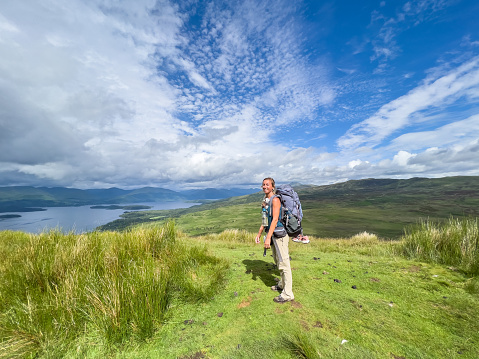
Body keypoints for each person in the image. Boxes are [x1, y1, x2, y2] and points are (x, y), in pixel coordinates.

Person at [255, 177, 294, 303]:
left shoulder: (275, 199)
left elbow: (276, 219)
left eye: (267, 184)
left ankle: (288, 294)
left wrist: (267, 240)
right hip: (273, 235)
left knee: (284, 263)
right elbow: (265, 220)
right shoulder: (265, 201)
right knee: (278, 261)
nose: (264, 186)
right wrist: (260, 233)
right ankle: (282, 284)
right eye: (263, 185)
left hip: (280, 235)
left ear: (272, 186)